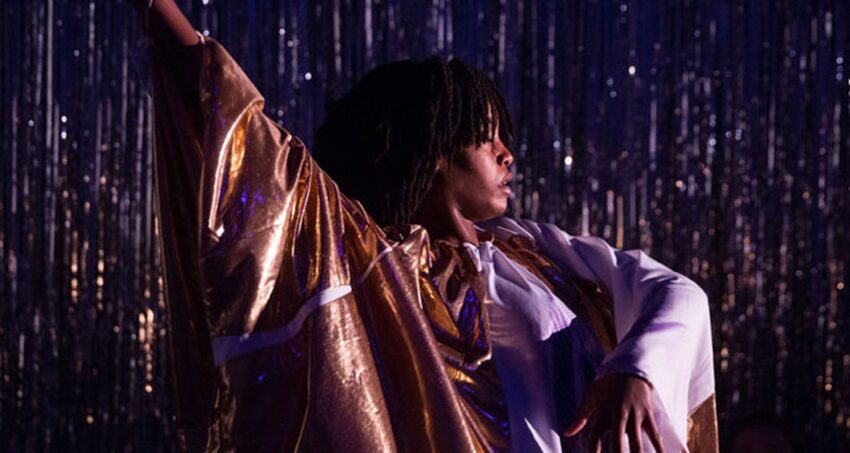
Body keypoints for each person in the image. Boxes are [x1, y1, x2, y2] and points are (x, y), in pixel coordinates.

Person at [134, 1, 718, 451]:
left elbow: (677, 293)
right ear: (433, 148)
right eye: (485, 134)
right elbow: (251, 142)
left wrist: (636, 368)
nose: (507, 153)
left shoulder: (538, 249)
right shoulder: (369, 262)